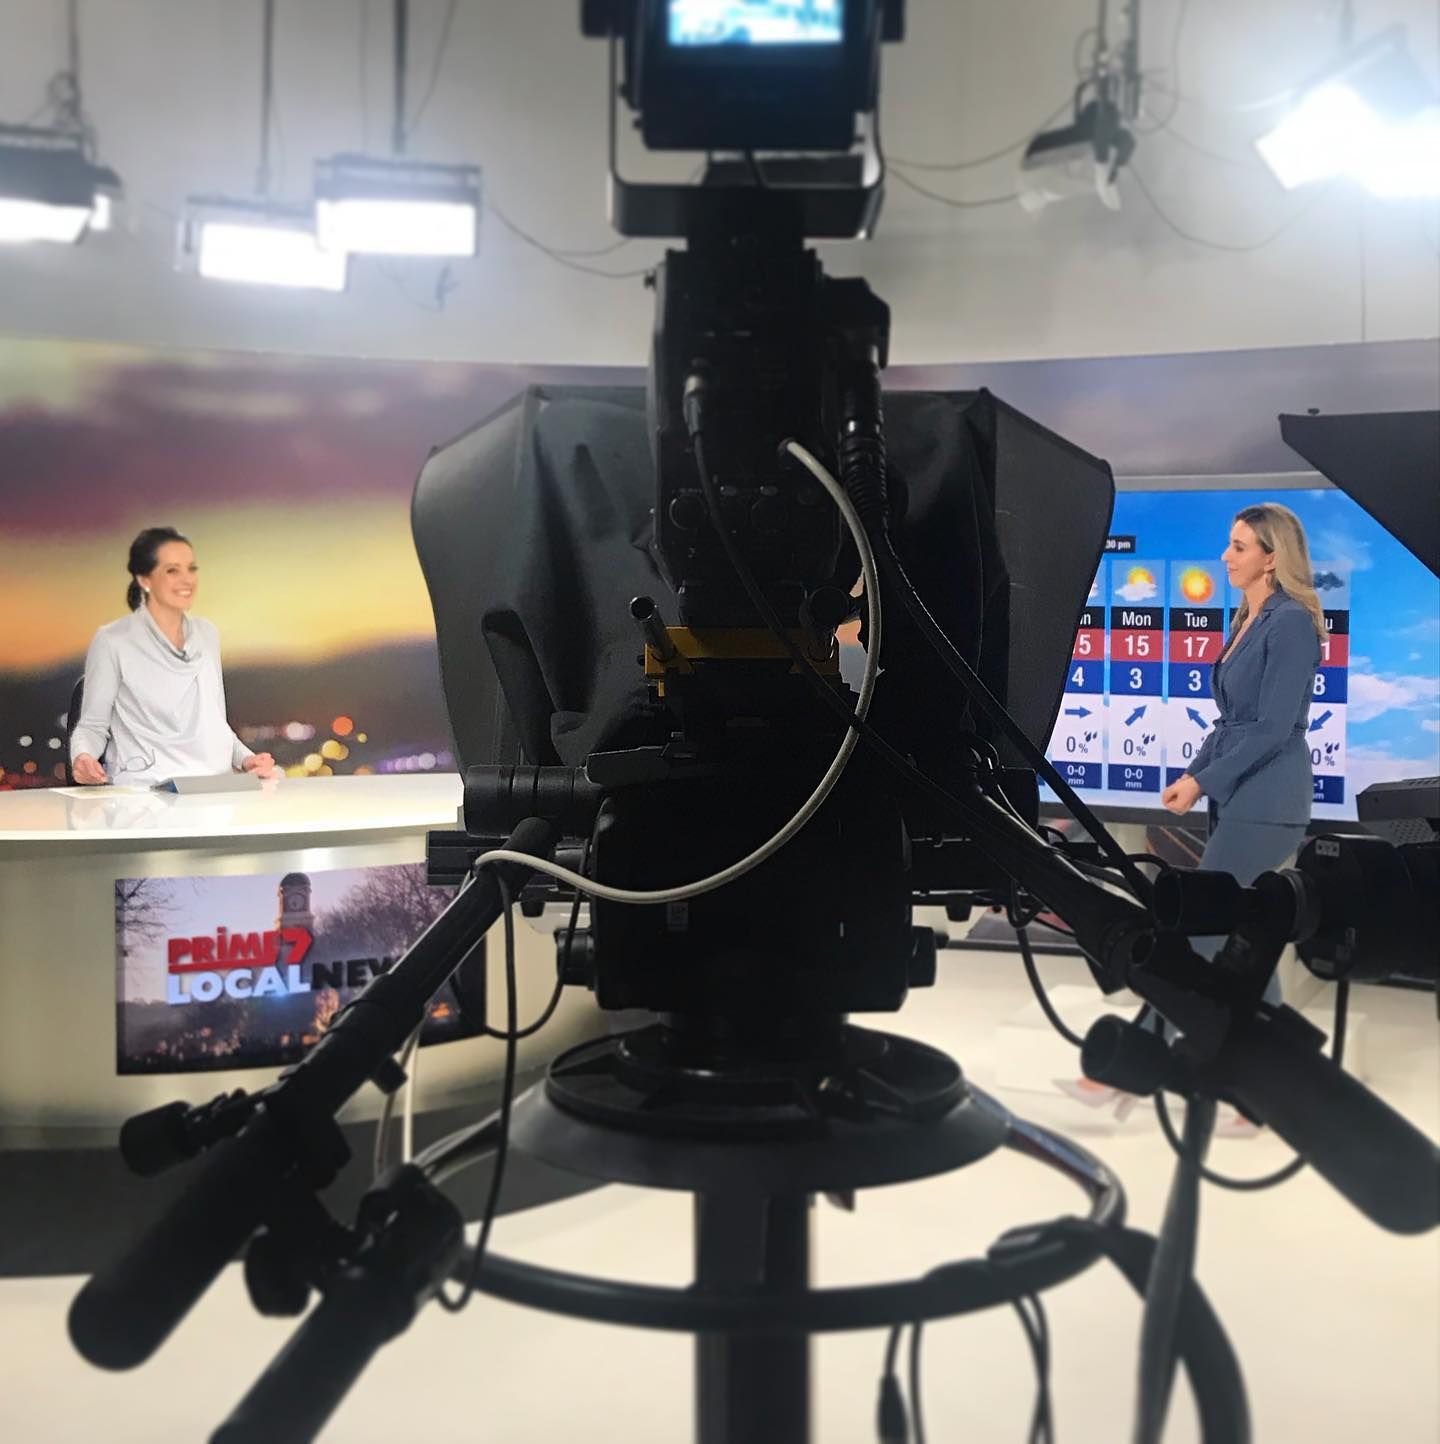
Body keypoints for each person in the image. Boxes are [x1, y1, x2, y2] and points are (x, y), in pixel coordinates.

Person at [1062, 504, 1325, 1129]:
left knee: (1198, 935)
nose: (1226, 557)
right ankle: (1277, 1086)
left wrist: (1203, 779)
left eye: (1240, 547)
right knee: (1241, 937)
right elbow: (1230, 723)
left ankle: (1125, 1072)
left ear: (1272, 557)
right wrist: (1193, 776)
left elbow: (1270, 729)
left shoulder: (1291, 624)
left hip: (1270, 800)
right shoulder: (1247, 619)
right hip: (1237, 798)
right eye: (1229, 544)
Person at [69, 527, 278, 786]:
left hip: (213, 788)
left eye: (191, 569)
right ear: (144, 579)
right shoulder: (113, 640)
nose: (187, 579)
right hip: (146, 789)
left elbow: (215, 725)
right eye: (172, 570)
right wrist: (83, 757)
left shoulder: (207, 634)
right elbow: (92, 726)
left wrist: (246, 759)